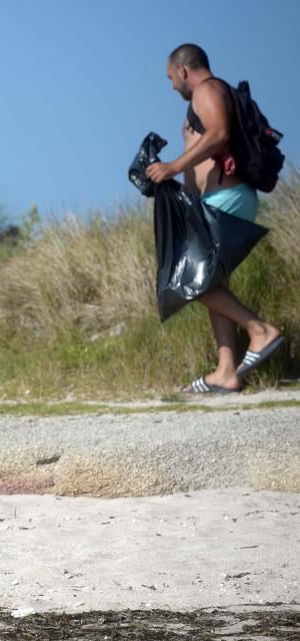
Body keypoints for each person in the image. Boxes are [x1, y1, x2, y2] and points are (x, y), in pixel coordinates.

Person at [147, 43, 283, 393]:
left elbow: (219, 134)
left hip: (227, 196)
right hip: (218, 198)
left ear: (182, 70)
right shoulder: (214, 92)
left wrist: (173, 166)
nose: (172, 86)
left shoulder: (207, 89)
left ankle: (260, 330)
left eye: (170, 79)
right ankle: (226, 371)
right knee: (212, 283)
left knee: (190, 279)